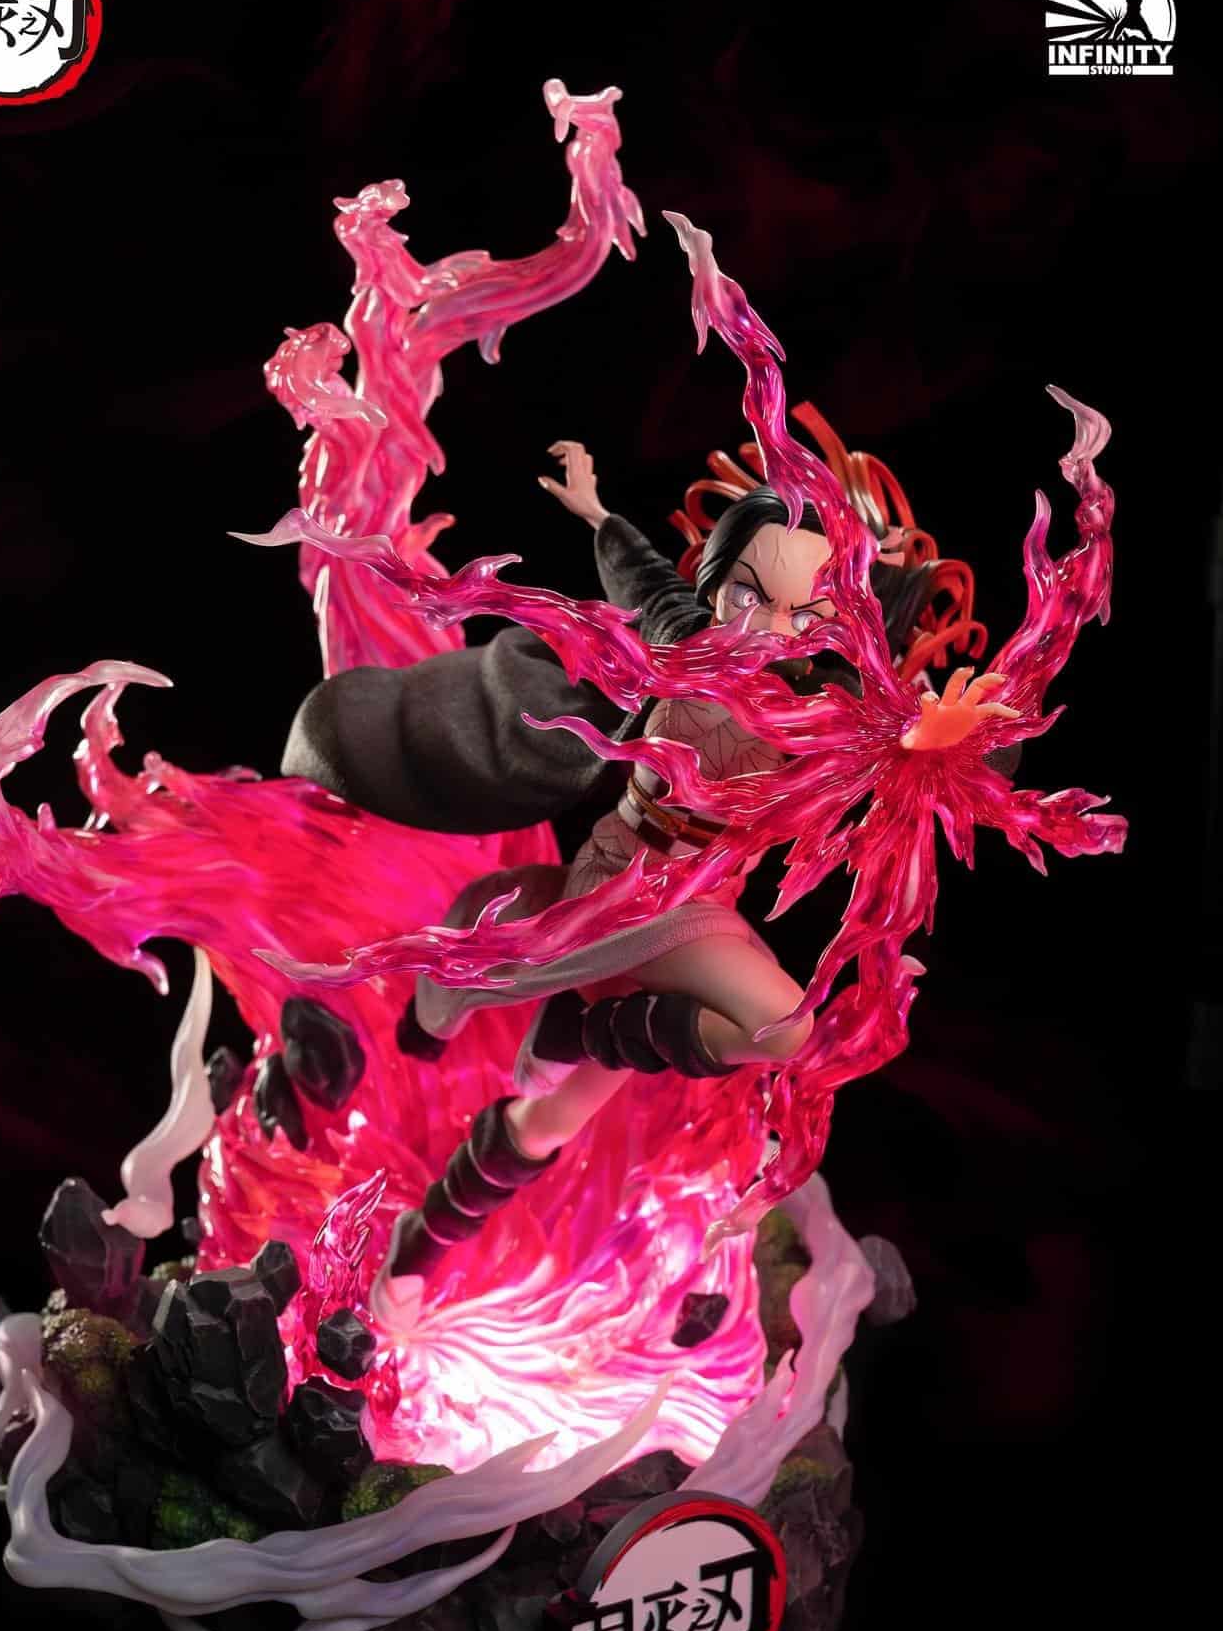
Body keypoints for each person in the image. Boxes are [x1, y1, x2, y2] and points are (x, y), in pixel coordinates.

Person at [283, 439, 1017, 1282]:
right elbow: (644, 579)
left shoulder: (829, 717)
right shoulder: (682, 642)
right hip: (619, 884)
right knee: (782, 1025)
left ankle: (415, 1252)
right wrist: (595, 510)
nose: (765, 627)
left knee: (550, 1124)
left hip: (695, 918)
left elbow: (924, 752)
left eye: (805, 616)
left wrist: (941, 740)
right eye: (747, 594)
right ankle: (534, 1004)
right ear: (718, 578)